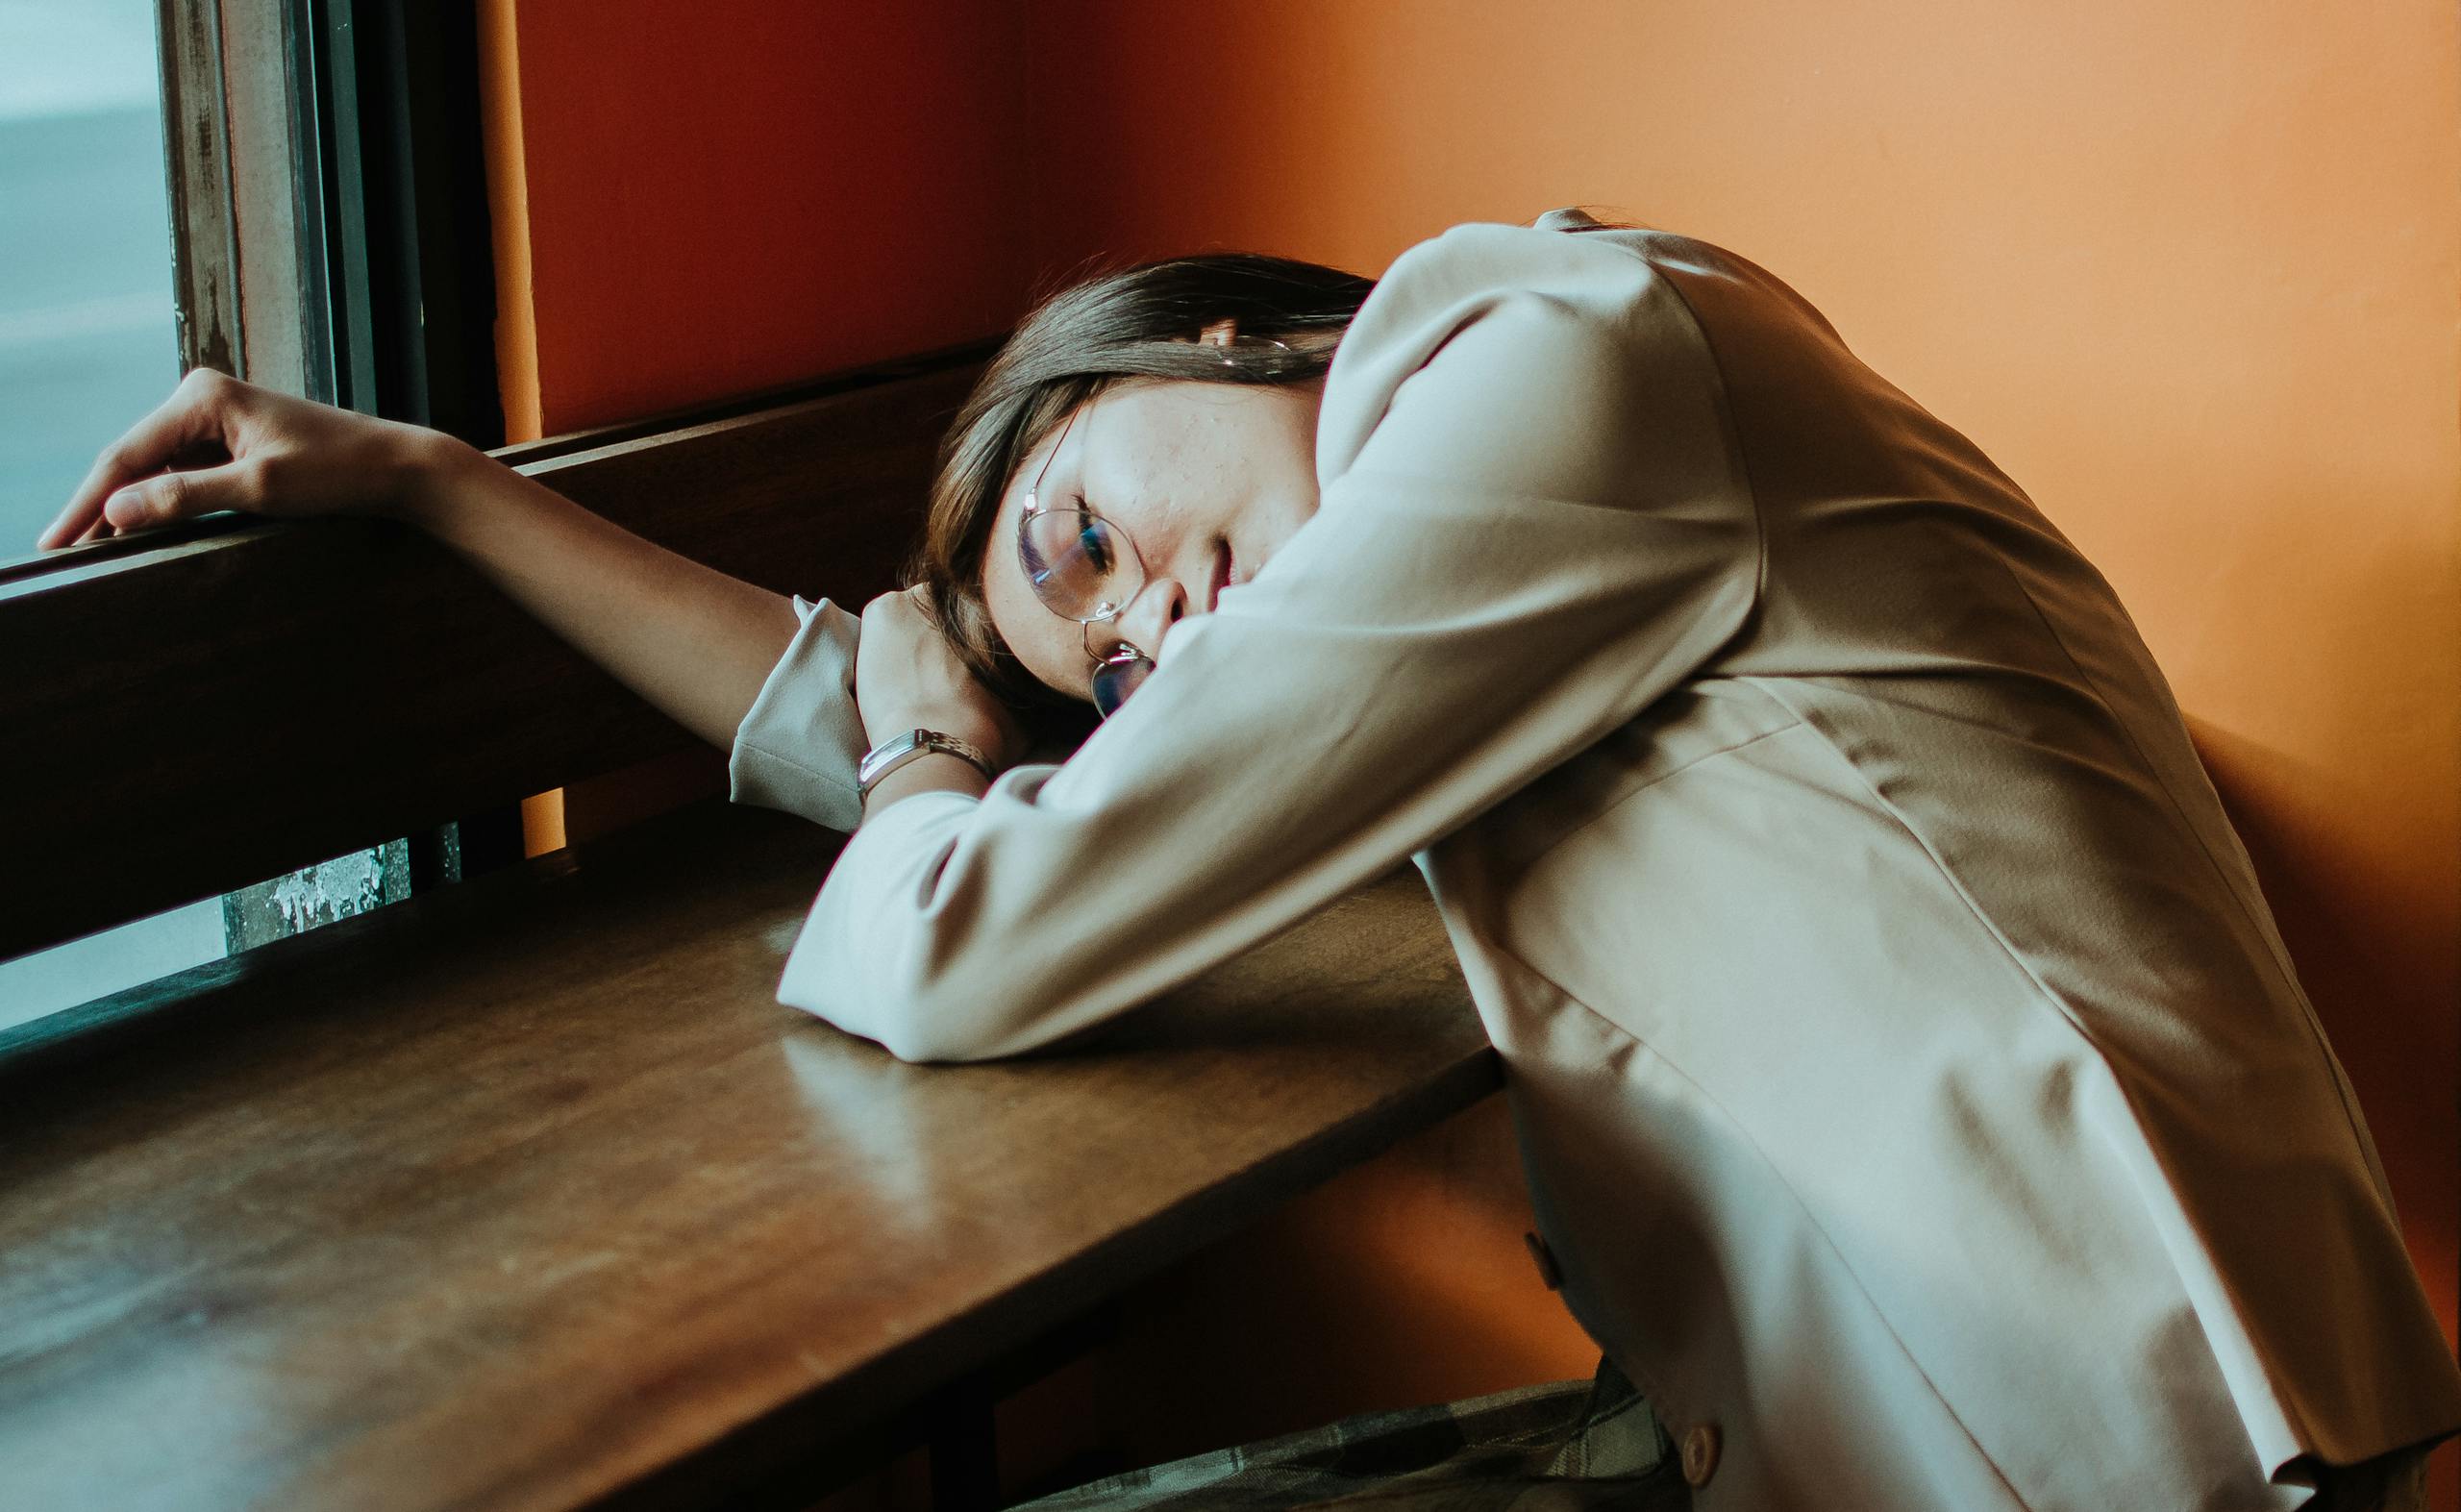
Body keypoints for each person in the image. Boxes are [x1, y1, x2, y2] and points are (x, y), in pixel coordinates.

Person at [39, 207, 2460, 1510]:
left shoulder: (1553, 371)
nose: (1143, 637)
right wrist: (452, 488)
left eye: (1086, 531)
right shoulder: (1464, 553)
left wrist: (940, 766)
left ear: (1198, 333)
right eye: (1094, 672)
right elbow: (875, 715)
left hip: (2109, 1443)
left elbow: (961, 928)